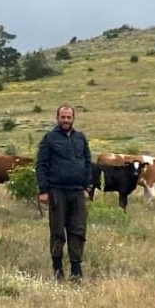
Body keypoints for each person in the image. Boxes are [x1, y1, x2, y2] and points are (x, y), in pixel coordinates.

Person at [36, 105, 91, 282]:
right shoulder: (49, 139)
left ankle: (76, 269)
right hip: (57, 190)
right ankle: (57, 268)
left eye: (69, 117)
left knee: (78, 230)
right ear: (57, 118)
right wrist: (43, 190)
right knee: (58, 230)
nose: (66, 120)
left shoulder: (81, 138)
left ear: (74, 118)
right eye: (63, 117)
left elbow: (88, 162)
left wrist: (87, 186)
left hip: (77, 191)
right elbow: (41, 165)